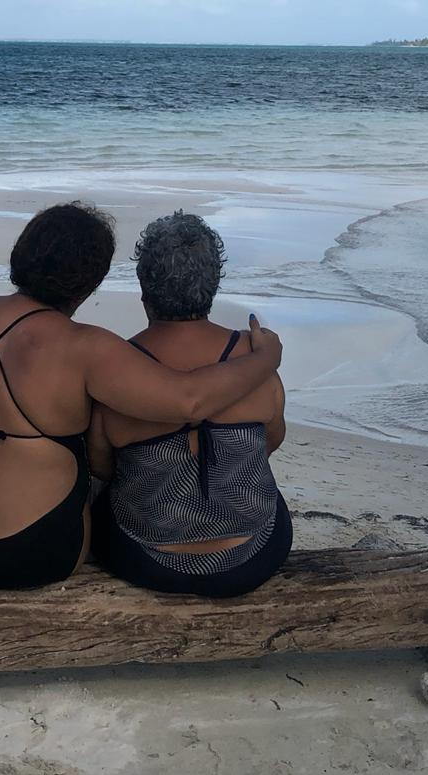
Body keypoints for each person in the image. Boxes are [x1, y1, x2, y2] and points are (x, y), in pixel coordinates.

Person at [0, 201, 282, 590]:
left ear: (21, 254)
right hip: (34, 557)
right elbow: (189, 402)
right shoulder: (89, 350)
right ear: (90, 284)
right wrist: (266, 358)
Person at [90, 211, 290, 598]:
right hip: (252, 557)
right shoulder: (255, 359)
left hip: (149, 561)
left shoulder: (119, 366)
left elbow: (101, 465)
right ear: (213, 284)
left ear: (144, 288)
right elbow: (271, 441)